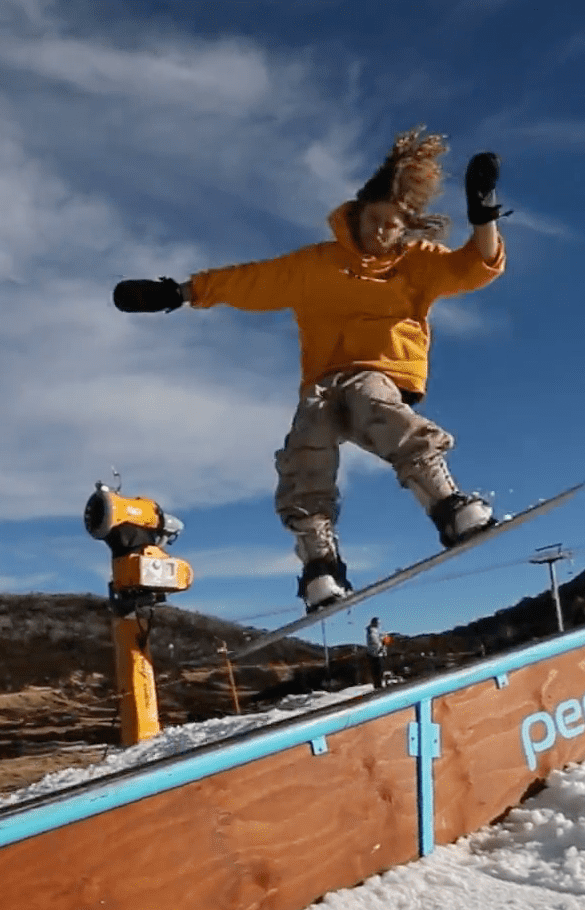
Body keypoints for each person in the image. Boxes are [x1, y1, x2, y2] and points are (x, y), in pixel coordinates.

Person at [113, 127, 510, 612]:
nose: (383, 232)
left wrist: (483, 214)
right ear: (357, 215)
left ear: (408, 229)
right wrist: (181, 292)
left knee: (367, 396)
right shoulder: (317, 265)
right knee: (307, 438)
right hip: (324, 383)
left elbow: (473, 267)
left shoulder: (417, 264)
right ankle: (320, 565)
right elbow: (254, 281)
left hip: (382, 378)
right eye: (376, 219)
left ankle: (448, 506)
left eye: (394, 225)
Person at [365, 617, 389, 689]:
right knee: (378, 674)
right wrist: (382, 642)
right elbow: (375, 643)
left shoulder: (373, 632)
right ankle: (379, 687)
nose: (379, 624)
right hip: (376, 656)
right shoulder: (372, 632)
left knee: (378, 675)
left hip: (375, 655)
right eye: (378, 623)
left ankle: (379, 686)